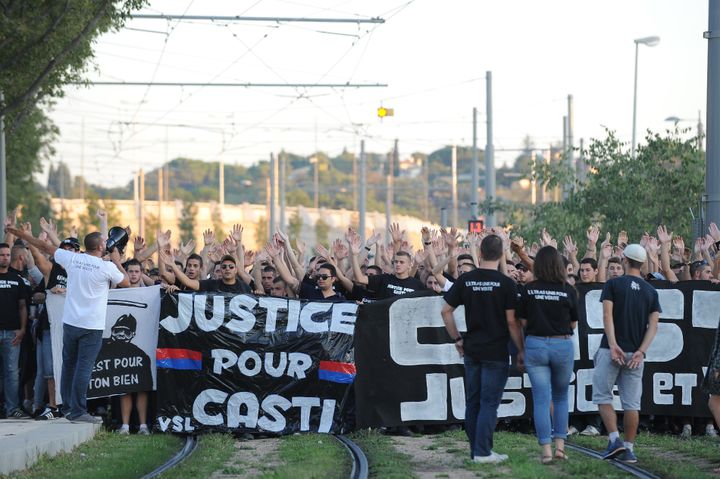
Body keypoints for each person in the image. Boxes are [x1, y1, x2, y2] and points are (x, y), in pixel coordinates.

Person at [7, 226, 130, 423]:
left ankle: (67, 408)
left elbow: (42, 245)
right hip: (92, 326)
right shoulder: (106, 267)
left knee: (68, 366)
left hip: (71, 323)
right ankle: (79, 411)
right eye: (104, 241)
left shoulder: (73, 259)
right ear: (100, 246)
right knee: (83, 368)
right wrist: (116, 261)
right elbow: (127, 283)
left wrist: (19, 234)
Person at [441, 234, 525, 464]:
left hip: (472, 350)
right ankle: (483, 452)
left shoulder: (466, 280)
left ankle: (476, 450)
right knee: (489, 404)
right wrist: (520, 349)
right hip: (496, 352)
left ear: (479, 253)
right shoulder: (507, 284)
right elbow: (511, 322)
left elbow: (445, 311)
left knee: (474, 402)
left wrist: (458, 339)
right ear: (500, 256)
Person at [592, 244, 660, 464]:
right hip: (635, 355)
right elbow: (654, 327)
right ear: (641, 264)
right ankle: (629, 449)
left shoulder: (613, 284)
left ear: (625, 261)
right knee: (632, 404)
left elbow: (606, 316)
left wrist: (612, 344)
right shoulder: (651, 291)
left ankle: (614, 440)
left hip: (610, 349)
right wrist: (641, 351)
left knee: (603, 396)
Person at [517, 246, 578, 463]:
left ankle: (546, 452)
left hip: (535, 345)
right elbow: (573, 322)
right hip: (562, 345)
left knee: (541, 400)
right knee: (561, 398)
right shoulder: (569, 290)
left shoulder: (528, 289)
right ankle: (560, 448)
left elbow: (522, 322)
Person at [0, 242, 30, 418]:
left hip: (12, 334)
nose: (4, 257)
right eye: (1, 254)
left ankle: (12, 408)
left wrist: (22, 329)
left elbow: (22, 307)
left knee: (12, 372)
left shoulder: (16, 280)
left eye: (7, 255)